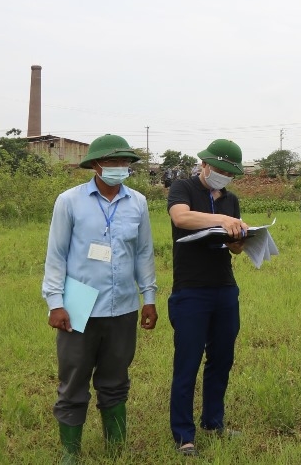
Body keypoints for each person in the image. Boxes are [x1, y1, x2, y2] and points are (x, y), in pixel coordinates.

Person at [41, 134, 157, 463]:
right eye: (114, 162)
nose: (121, 168)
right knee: (74, 379)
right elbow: (56, 255)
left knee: (116, 378)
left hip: (122, 305)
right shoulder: (70, 201)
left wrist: (148, 297)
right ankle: (70, 451)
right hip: (79, 305)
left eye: (125, 163)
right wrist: (55, 302)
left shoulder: (138, 203)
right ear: (96, 165)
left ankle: (116, 447)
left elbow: (144, 253)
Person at [167, 139, 249, 456]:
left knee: (222, 360)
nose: (223, 176)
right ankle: (184, 436)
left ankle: (214, 422)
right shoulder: (183, 188)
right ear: (205, 164)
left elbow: (236, 248)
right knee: (187, 363)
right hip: (191, 290)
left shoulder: (231, 200)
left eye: (229, 173)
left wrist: (240, 236)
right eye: (219, 169)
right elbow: (182, 218)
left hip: (225, 288)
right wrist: (222, 221)